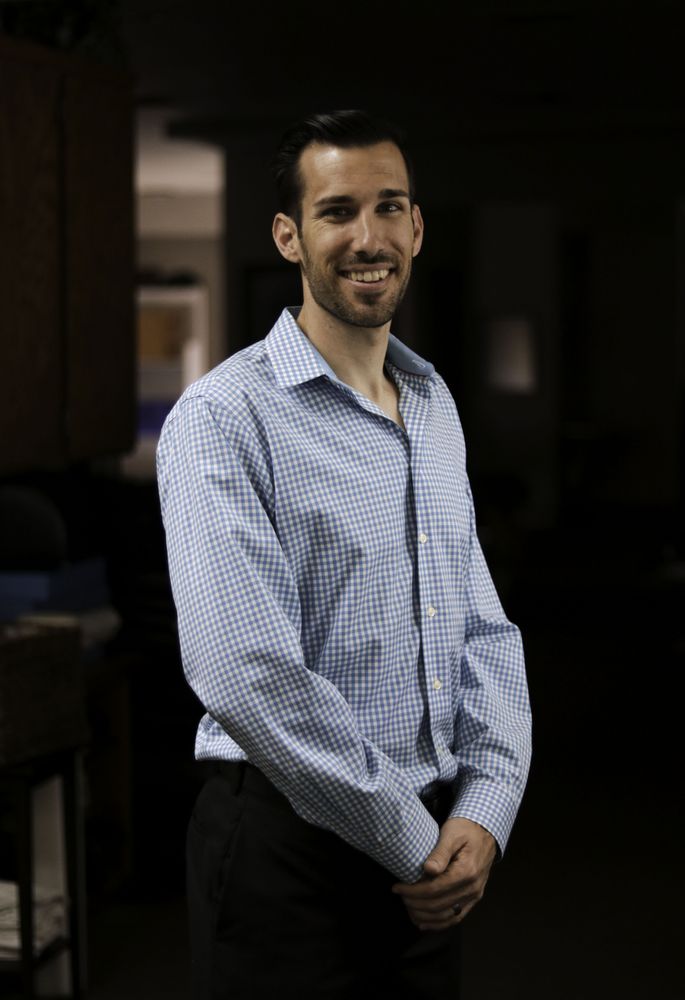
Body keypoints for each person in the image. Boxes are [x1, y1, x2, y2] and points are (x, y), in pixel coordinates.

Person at [156, 110, 532, 1000]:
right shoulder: (223, 418)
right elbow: (246, 673)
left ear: (416, 226)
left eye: (388, 207)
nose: (368, 238)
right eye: (336, 212)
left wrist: (485, 808)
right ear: (288, 236)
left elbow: (481, 628)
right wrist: (412, 839)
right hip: (289, 860)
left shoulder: (432, 403)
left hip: (433, 855)